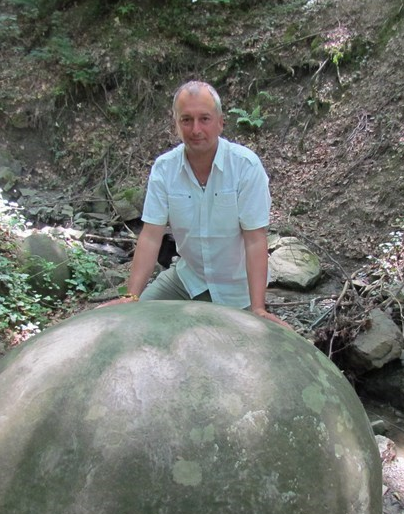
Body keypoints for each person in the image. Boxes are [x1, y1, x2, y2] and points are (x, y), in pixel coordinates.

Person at [103, 80, 288, 328]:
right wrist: (131, 296)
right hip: (188, 279)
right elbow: (150, 236)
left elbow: (255, 240)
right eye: (187, 120)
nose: (196, 129)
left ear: (220, 122)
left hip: (237, 290)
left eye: (205, 119)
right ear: (176, 124)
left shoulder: (245, 167)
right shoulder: (164, 169)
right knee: (133, 322)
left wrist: (258, 308)